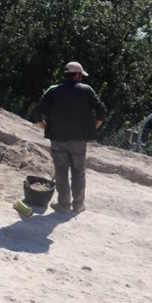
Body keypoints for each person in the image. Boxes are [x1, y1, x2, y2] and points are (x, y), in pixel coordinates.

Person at [33, 61, 107, 214]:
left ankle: (64, 204)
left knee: (61, 171)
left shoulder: (53, 90)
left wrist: (44, 126)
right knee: (78, 172)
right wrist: (94, 127)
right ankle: (78, 204)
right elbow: (102, 111)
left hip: (57, 139)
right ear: (78, 75)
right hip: (79, 140)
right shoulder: (86, 90)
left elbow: (37, 112)